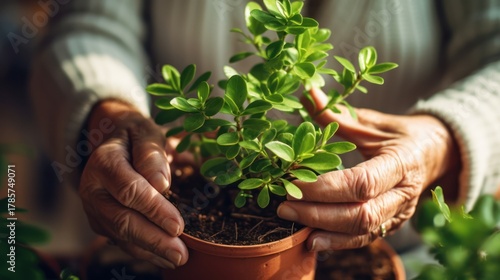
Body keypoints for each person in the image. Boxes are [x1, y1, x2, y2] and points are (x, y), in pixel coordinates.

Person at [30, 0, 500, 272]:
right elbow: (85, 20)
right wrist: (106, 116)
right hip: (158, 229)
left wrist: (440, 141)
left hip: (393, 254)